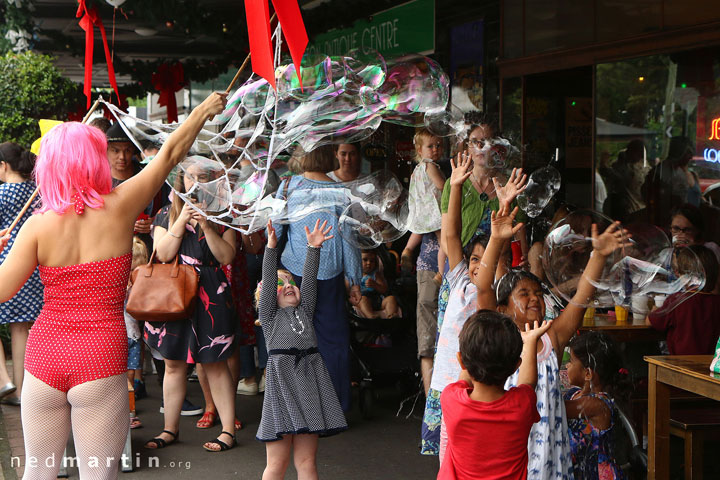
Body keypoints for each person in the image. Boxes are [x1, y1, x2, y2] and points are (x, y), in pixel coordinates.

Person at [0, 91, 227, 479]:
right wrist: (202, 111)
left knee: (36, 473)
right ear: (95, 160)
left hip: (44, 354)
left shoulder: (36, 225)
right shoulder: (120, 204)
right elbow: (170, 154)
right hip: (100, 354)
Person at [476, 191, 630, 480]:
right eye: (524, 294)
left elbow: (581, 297)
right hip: (511, 451)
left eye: (537, 294)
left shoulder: (552, 338)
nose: (535, 299)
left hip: (549, 453)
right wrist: (496, 240)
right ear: (503, 309)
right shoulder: (498, 341)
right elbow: (484, 290)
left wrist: (598, 255)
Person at [420, 152, 527, 456]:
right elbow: (451, 235)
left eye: (488, 260)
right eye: (474, 260)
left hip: (480, 387)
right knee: (447, 458)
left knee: (474, 455)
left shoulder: (496, 298)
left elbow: (497, 250)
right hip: (447, 384)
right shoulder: (460, 285)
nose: (480, 266)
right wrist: (454, 187)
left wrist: (504, 208)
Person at [144, 159, 238, 452]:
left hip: (212, 294)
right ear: (180, 181)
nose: (195, 183)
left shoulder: (224, 215)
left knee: (215, 363)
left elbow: (226, 257)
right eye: (189, 177)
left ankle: (227, 431)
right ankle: (169, 429)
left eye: (202, 177)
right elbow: (162, 253)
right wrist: (180, 222)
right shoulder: (164, 214)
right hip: (174, 292)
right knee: (173, 364)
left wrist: (207, 227)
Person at [257, 219, 347, 479]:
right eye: (278, 284)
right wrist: (271, 248)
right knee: (277, 464)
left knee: (307, 462)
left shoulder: (305, 311)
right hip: (281, 394)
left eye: (289, 282)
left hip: (308, 390)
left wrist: (313, 248)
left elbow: (309, 281)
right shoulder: (270, 318)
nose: (287, 286)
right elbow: (268, 278)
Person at [274, 147, 362, 412]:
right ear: (329, 157)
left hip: (295, 272)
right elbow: (349, 239)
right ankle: (336, 406)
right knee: (333, 340)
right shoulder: (339, 191)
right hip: (329, 273)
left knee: (295, 337)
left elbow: (276, 230)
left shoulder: (289, 185)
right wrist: (354, 278)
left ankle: (299, 404)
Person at [438, 312, 550, 480]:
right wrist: (531, 341)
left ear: (461, 361)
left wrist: (470, 357)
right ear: (515, 367)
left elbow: (465, 379)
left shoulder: (451, 399)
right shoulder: (522, 406)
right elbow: (528, 383)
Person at [0, 142, 42, 406]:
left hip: (5, 265)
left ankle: (3, 379)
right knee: (21, 327)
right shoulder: (36, 192)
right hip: (31, 267)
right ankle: (20, 392)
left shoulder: (1, 194)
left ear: (3, 166)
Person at [564, 332, 630, 480]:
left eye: (571, 361)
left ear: (587, 373)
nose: (567, 365)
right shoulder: (574, 394)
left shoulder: (596, 404)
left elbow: (555, 408)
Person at [646, 244, 720, 354]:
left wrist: (655, 311)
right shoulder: (716, 302)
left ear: (684, 276)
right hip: (710, 365)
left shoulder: (677, 300)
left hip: (681, 366)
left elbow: (650, 322)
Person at [126, 237, 148, 429]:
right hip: (119, 336)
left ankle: (131, 412)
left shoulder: (141, 285)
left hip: (134, 337)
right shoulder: (119, 286)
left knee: (131, 375)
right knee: (122, 378)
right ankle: (124, 412)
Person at [357, 250, 400, 319]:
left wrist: (375, 285)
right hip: (364, 299)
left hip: (378, 300)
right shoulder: (355, 276)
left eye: (372, 261)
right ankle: (371, 316)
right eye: (365, 260)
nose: (369, 263)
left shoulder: (376, 275)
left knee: (391, 298)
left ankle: (391, 315)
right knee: (362, 300)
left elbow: (384, 289)